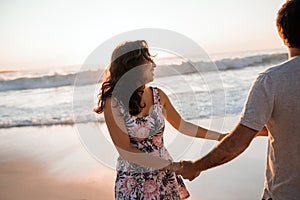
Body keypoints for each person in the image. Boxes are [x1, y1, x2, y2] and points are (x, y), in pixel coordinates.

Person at [177, 1, 300, 199]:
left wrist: (197, 165)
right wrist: (255, 130)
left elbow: (237, 143)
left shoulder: (271, 81)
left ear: (282, 34)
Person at [94, 40, 226, 199]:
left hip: (164, 175)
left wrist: (222, 137)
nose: (153, 65)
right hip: (135, 180)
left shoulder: (158, 95)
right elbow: (126, 150)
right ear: (133, 68)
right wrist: (175, 167)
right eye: (148, 61)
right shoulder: (113, 103)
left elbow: (183, 126)